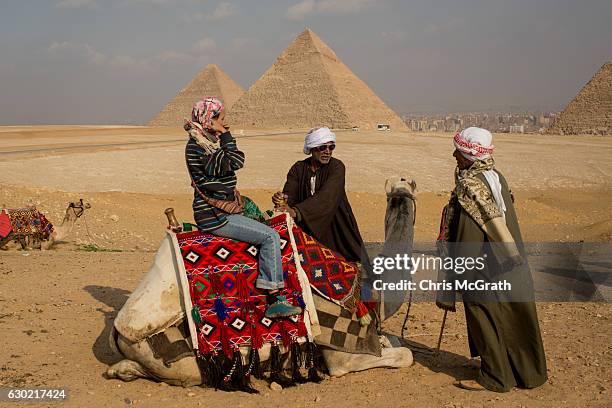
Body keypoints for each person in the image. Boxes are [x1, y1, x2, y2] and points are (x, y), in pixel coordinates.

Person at [436, 127, 547, 392]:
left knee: (483, 314)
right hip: (509, 263)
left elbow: (468, 232)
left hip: (483, 268)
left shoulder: (470, 186)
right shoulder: (496, 177)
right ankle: (528, 374)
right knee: (513, 316)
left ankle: (495, 377)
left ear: (471, 154)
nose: (454, 155)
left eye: (459, 152)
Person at [185, 97, 301, 318]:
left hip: (221, 210)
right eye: (220, 119)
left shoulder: (205, 143)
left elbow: (233, 160)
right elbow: (236, 161)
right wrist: (227, 135)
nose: (224, 123)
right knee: (271, 237)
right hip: (216, 215)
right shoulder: (198, 147)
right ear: (208, 120)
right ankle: (274, 297)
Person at [272, 127, 366, 263]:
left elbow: (327, 196)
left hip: (335, 224)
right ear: (312, 149)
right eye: (322, 147)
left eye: (331, 147)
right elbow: (290, 194)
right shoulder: (298, 168)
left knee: (349, 263)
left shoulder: (337, 167)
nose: (327, 152)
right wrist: (283, 200)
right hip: (306, 225)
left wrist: (297, 211)